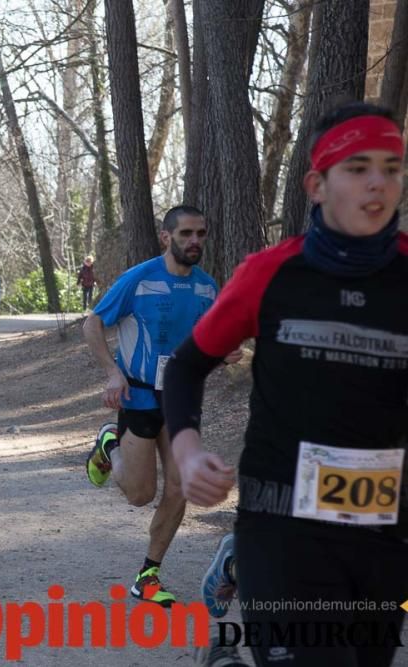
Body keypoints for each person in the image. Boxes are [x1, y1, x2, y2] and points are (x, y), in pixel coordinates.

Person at [165, 101, 408, 667]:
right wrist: (189, 450)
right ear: (317, 185)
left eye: (392, 167)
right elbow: (186, 366)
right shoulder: (270, 274)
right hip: (281, 525)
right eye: (357, 168)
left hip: (383, 531)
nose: (378, 182)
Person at [82, 205, 239, 607]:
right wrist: (112, 372)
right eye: (186, 233)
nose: (195, 242)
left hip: (182, 398)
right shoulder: (139, 280)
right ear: (167, 237)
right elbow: (93, 322)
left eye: (201, 234)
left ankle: (148, 574)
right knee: (139, 494)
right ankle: (109, 446)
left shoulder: (206, 287)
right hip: (139, 395)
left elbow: (206, 339)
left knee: (180, 485)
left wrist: (222, 353)